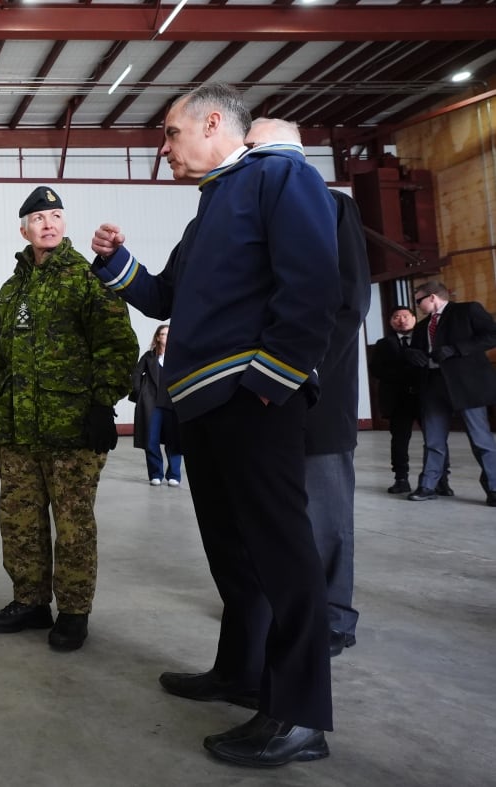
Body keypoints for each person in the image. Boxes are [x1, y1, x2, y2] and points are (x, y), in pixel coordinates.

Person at [90, 83, 340, 766]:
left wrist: (271, 381)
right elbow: (166, 294)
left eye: (170, 133)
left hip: (251, 400)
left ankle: (298, 715)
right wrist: (117, 261)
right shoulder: (210, 211)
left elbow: (316, 283)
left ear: (211, 122)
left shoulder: (280, 176)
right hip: (203, 403)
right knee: (234, 554)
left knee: (283, 557)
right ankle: (240, 671)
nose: (163, 147)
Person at [0, 186, 138, 654]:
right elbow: (0, 358)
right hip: (18, 432)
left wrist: (102, 404)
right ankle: (30, 601)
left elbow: (118, 346)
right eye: (38, 217)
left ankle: (73, 611)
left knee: (72, 526)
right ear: (23, 228)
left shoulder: (89, 280)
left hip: (71, 429)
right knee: (20, 521)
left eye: (56, 215)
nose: (49, 223)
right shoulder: (11, 290)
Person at [245, 116, 372, 659]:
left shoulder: (331, 207)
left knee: (324, 513)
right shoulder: (253, 215)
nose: (242, 156)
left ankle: (334, 615)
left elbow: (344, 305)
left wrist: (292, 370)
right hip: (262, 394)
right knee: (275, 513)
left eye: (251, 148)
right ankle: (286, 608)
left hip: (310, 391)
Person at [404, 281, 496, 506]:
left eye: (419, 301)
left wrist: (456, 349)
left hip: (466, 385)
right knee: (433, 441)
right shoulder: (421, 326)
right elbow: (415, 351)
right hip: (433, 386)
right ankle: (428, 485)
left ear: (433, 297)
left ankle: (494, 487)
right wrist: (411, 355)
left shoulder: (467, 310)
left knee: (480, 439)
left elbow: (492, 336)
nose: (418, 306)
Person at [370, 306, 453, 495]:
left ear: (415, 319)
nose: (401, 320)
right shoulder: (383, 343)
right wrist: (403, 370)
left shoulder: (426, 340)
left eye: (406, 316)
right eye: (396, 316)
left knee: (436, 439)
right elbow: (376, 370)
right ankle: (401, 479)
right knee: (399, 440)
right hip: (399, 399)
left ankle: (441, 480)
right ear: (391, 321)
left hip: (426, 397)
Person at [131, 324, 183, 487]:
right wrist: (140, 393)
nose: (166, 337)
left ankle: (174, 474)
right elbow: (136, 374)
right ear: (158, 337)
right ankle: (155, 474)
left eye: (168, 334)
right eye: (163, 334)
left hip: (173, 404)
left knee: (174, 440)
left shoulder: (179, 357)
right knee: (150, 440)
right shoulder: (149, 356)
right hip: (151, 405)